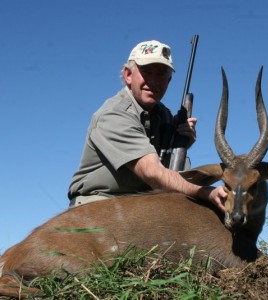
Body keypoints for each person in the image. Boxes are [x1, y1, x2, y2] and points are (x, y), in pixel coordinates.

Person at [68, 40, 227, 210]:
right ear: (128, 75)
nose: (154, 81)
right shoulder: (114, 114)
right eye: (147, 72)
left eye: (161, 74)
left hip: (137, 204)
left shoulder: (163, 115)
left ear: (169, 80)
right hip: (99, 202)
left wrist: (180, 144)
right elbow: (152, 173)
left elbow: (170, 171)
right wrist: (206, 192)